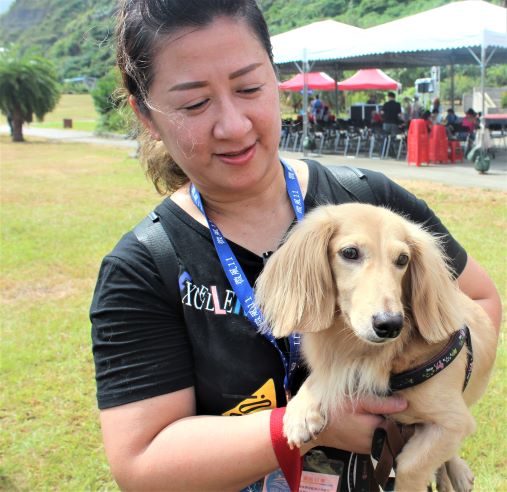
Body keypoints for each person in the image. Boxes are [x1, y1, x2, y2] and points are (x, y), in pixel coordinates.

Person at [90, 1, 502, 491]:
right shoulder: (143, 268)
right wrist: (313, 423)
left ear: (276, 77)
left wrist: (426, 410)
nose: (235, 125)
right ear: (147, 115)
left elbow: (480, 302)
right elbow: (141, 464)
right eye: (195, 103)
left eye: (249, 87)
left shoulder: (372, 203)